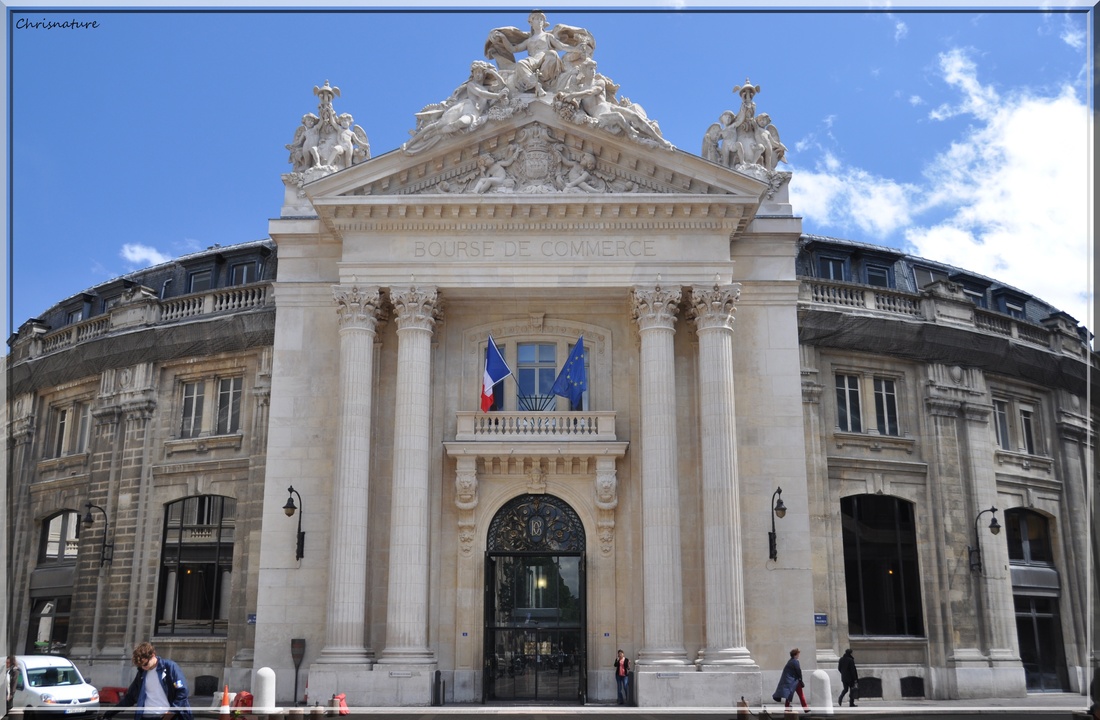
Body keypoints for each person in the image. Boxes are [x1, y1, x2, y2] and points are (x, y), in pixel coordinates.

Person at [108, 642, 192, 720]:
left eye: (145, 664)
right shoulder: (141, 673)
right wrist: (111, 712)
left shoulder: (169, 667)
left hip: (166, 716)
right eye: (141, 666)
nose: (144, 667)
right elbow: (130, 697)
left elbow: (182, 691)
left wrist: (172, 712)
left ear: (152, 655)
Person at [772, 647, 809, 713]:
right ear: (795, 655)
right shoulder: (795, 661)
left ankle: (787, 708)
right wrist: (801, 680)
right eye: (798, 654)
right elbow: (798, 671)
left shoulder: (790, 661)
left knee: (788, 695)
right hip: (795, 682)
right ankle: (805, 708)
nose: (799, 655)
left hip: (791, 682)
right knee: (800, 695)